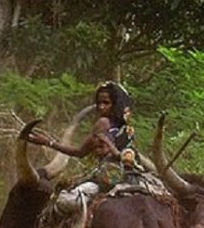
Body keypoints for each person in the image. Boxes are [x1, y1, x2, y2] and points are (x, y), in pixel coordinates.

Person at [22, 81, 139, 212]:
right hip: (130, 179)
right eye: (99, 103)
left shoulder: (105, 124)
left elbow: (82, 152)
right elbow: (80, 152)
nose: (101, 107)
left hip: (106, 179)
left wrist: (48, 142)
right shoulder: (127, 129)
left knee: (61, 201)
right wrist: (47, 142)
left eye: (106, 103)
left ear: (116, 104)